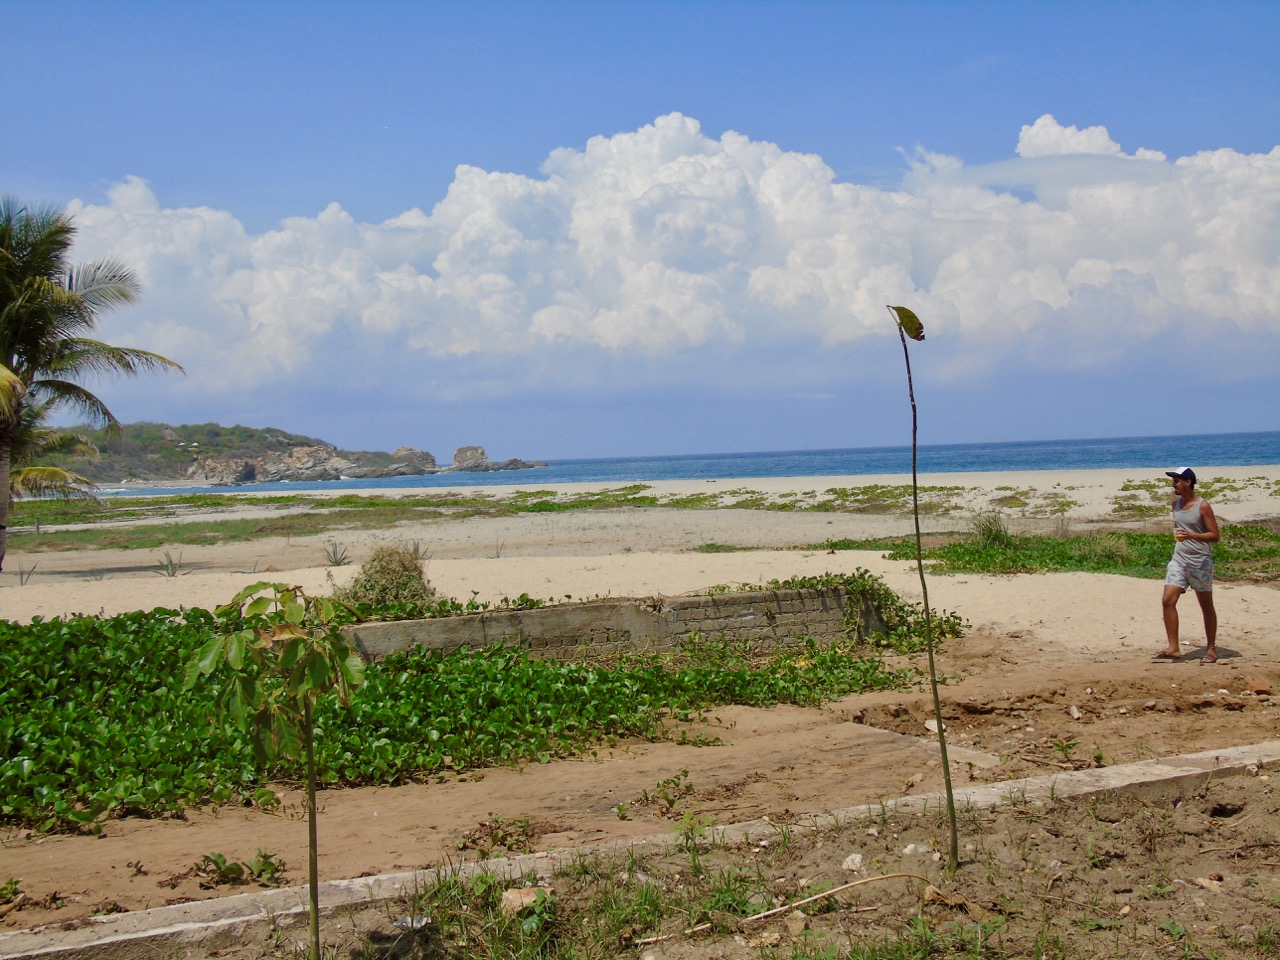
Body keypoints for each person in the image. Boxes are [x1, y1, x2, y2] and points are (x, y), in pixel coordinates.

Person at [1154, 467, 1220, 663]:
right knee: (1167, 600)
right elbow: (1179, 529)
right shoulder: (1175, 504)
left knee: (1206, 605)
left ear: (1188, 482)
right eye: (1173, 481)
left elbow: (1215, 536)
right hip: (1179, 560)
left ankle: (1211, 648)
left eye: (1177, 480)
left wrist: (1192, 536)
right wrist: (1182, 537)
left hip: (1200, 562)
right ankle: (1173, 647)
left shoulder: (1202, 506)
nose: (1173, 484)